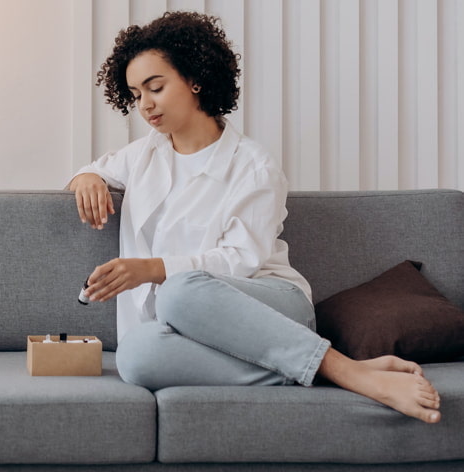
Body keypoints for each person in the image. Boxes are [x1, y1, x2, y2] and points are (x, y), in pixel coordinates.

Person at [68, 11, 441, 424]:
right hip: (197, 327)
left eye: (156, 87)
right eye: (136, 94)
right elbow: (96, 168)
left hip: (269, 308)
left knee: (178, 290)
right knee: (136, 355)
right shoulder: (144, 155)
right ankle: (321, 368)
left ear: (195, 79)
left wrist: (151, 269)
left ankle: (348, 372)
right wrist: (87, 177)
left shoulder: (253, 165)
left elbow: (239, 260)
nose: (146, 105)